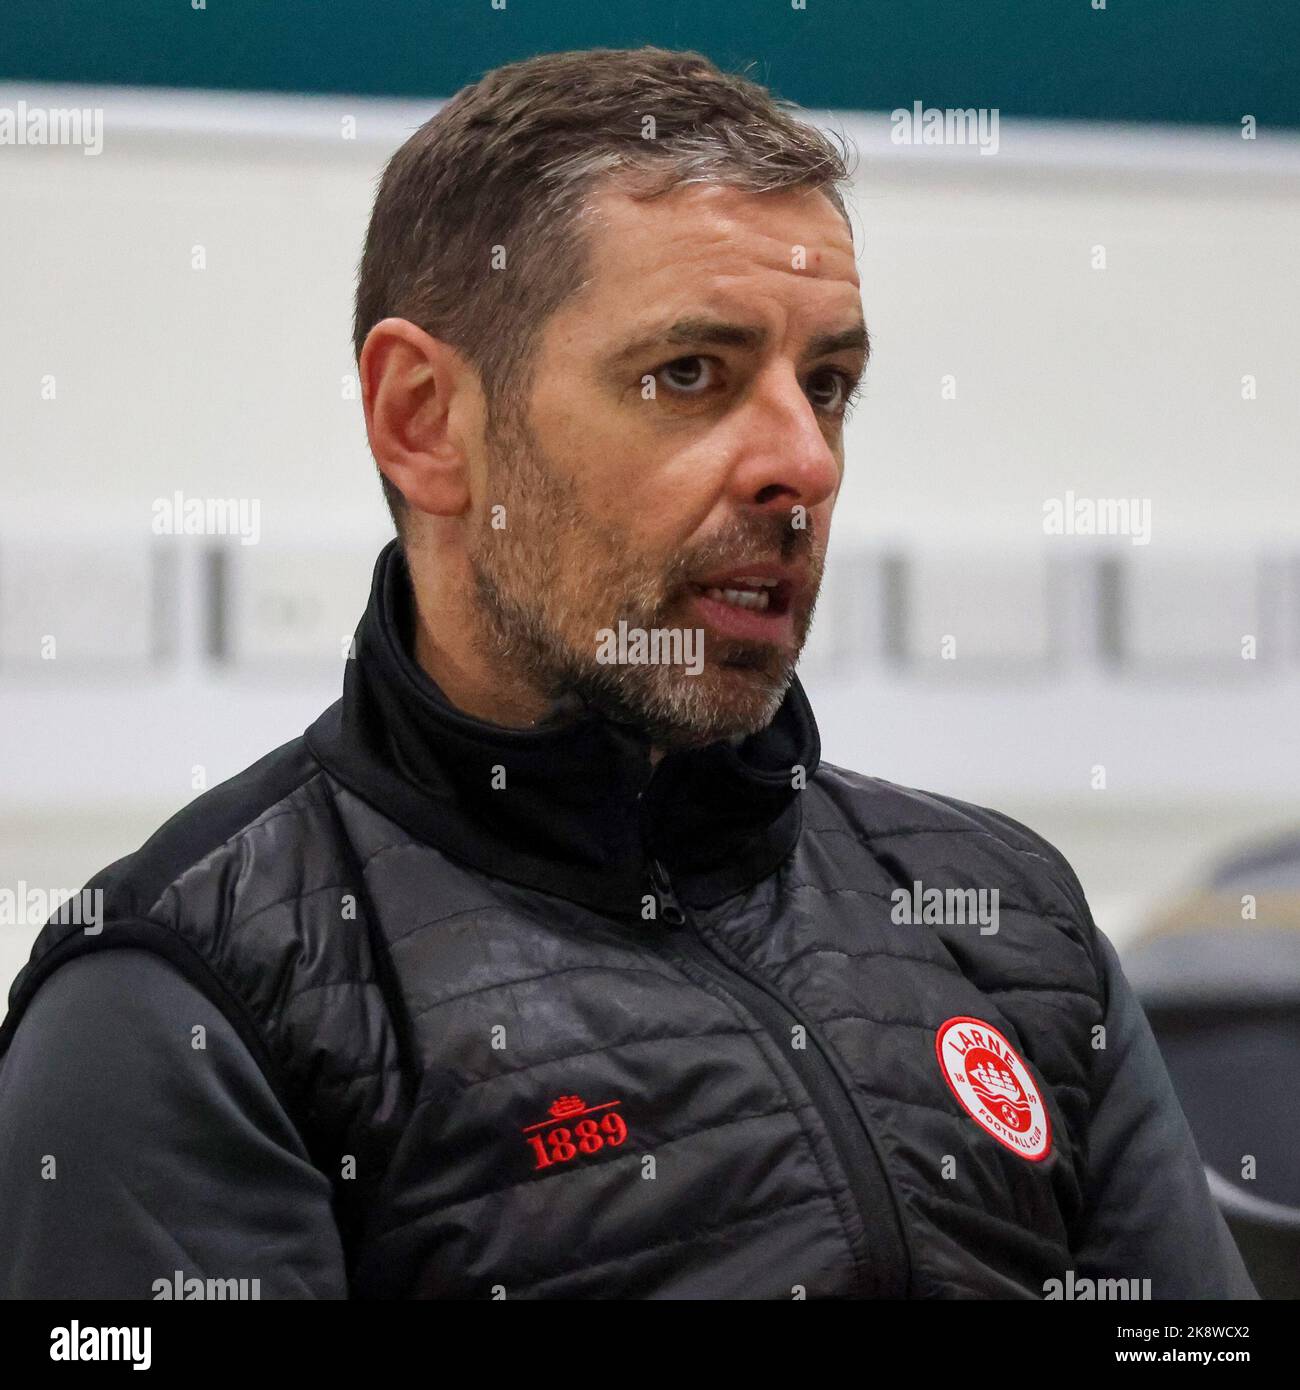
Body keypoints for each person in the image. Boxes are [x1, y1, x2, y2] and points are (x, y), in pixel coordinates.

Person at [0, 46, 1256, 1300]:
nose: (802, 463)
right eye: (688, 375)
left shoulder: (1012, 921)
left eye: (827, 386)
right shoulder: (188, 1000)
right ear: (426, 420)